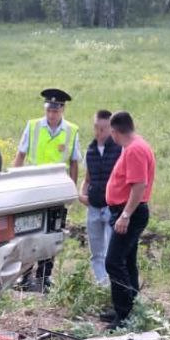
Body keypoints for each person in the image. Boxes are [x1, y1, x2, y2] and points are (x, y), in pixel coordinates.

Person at [13, 88, 81, 291]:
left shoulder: (71, 131)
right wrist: (13, 183)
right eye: (49, 110)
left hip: (56, 191)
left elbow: (75, 162)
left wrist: (72, 188)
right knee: (28, 231)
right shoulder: (33, 126)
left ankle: (44, 277)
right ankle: (25, 276)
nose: (52, 115)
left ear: (62, 110)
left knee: (53, 231)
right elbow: (20, 155)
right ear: (45, 109)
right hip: (32, 189)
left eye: (56, 111)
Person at [102, 110, 155, 329]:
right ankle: (127, 308)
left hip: (129, 212)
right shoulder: (134, 146)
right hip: (125, 211)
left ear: (115, 132)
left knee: (113, 262)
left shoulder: (134, 150)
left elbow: (139, 185)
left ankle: (123, 315)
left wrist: (125, 215)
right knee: (127, 261)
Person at [80, 109, 120, 287]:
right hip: (94, 205)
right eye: (96, 128)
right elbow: (87, 178)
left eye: (103, 128)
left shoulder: (119, 149)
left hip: (112, 207)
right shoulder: (90, 150)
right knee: (96, 252)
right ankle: (102, 285)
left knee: (112, 251)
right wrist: (82, 193)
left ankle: (114, 284)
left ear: (111, 129)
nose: (99, 132)